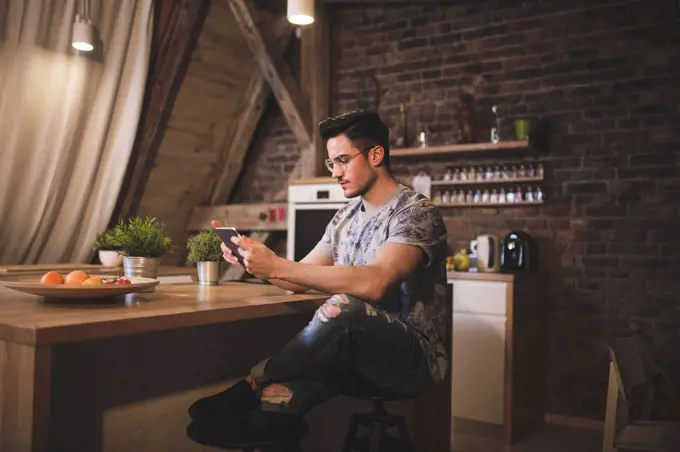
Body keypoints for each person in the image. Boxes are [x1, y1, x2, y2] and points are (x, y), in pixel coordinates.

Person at [189, 110, 449, 427]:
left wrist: (279, 266)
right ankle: (265, 397)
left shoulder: (416, 212)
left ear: (376, 155)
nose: (335, 173)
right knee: (277, 400)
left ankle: (252, 382)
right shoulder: (344, 218)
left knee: (342, 306)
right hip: (350, 354)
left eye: (343, 160)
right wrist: (261, 263)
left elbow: (376, 283)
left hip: (411, 359)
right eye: (331, 164)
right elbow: (299, 277)